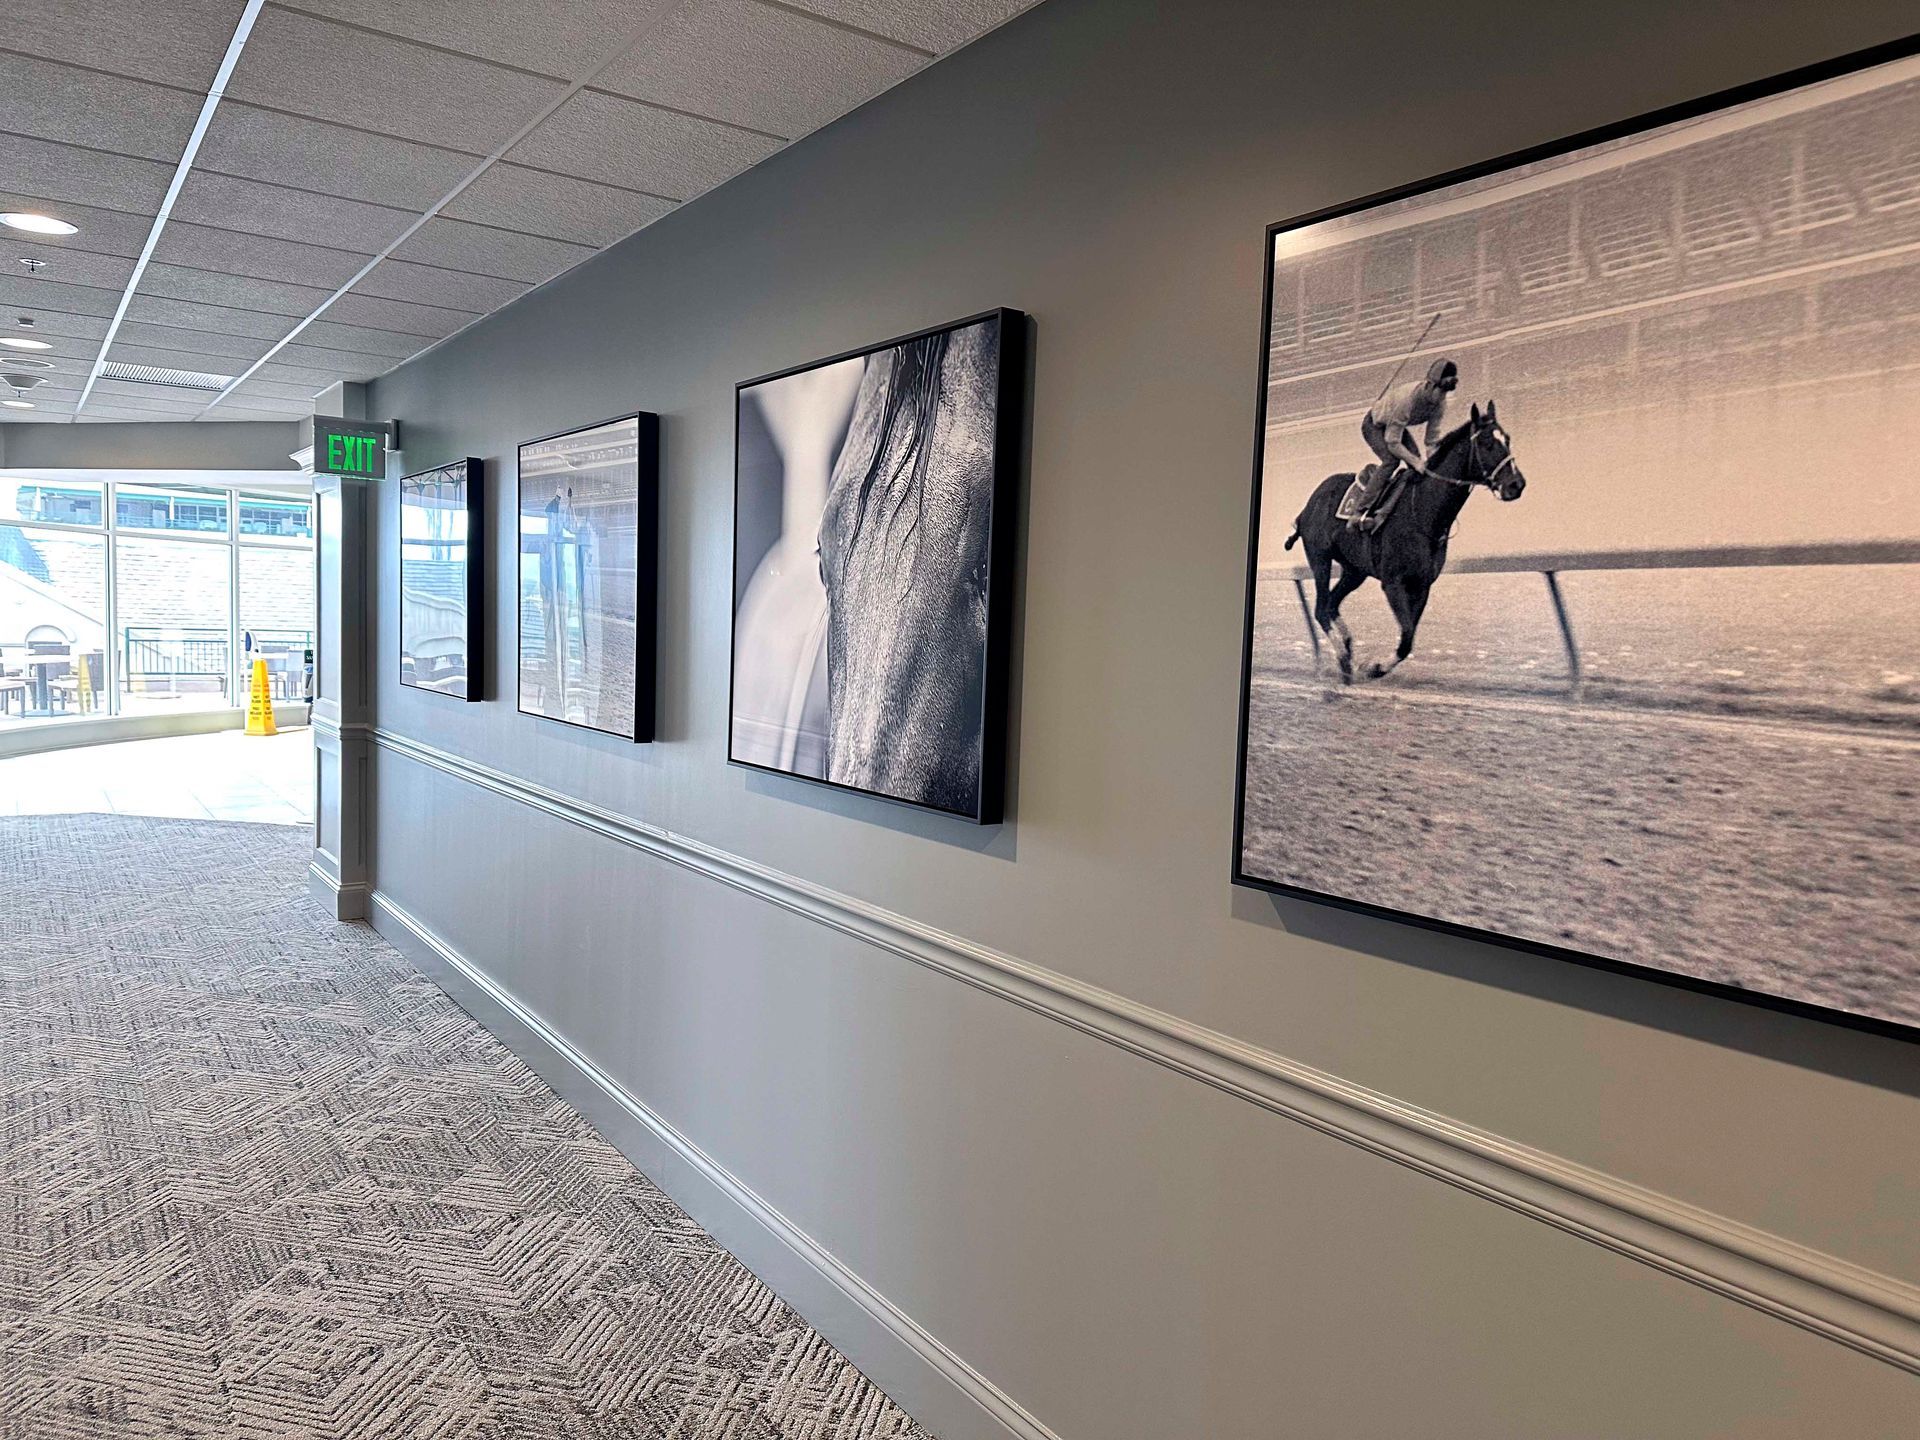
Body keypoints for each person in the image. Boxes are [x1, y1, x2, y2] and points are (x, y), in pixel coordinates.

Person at [1340, 357, 1459, 532]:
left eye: (1445, 393)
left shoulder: (1440, 405)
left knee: (1416, 465)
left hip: (1396, 428)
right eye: (1440, 391)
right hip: (1374, 426)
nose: (1442, 397)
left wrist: (1433, 466)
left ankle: (1392, 510)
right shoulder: (1407, 400)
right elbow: (1392, 442)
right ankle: (1359, 512)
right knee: (1391, 461)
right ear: (1429, 385)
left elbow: (1431, 441)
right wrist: (1416, 462)